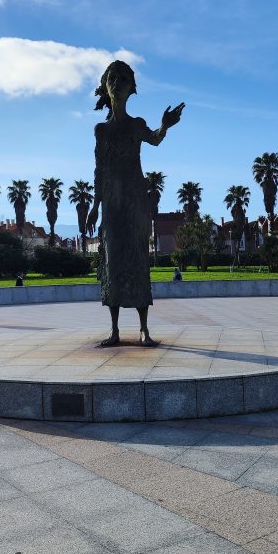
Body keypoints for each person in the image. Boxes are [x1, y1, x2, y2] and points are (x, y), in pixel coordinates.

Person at [86, 60, 184, 346]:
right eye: (112, 79)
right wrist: (95, 205)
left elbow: (154, 139)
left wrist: (165, 126)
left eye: (123, 79)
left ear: (131, 89)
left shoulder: (137, 125)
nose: (117, 84)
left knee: (139, 260)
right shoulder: (101, 131)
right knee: (113, 261)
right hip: (112, 204)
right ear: (105, 86)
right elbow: (99, 169)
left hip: (136, 200)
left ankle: (143, 329)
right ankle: (115, 330)